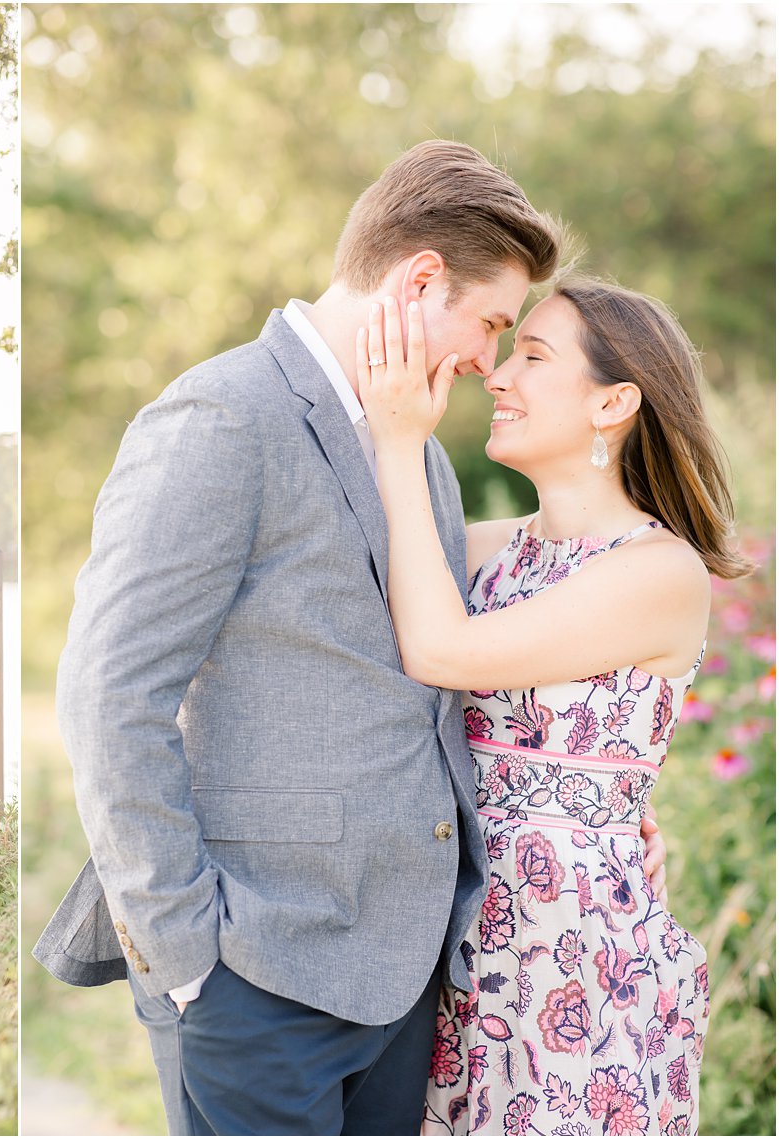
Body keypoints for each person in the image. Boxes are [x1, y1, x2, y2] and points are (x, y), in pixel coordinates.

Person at [34, 140, 665, 1136]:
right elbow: (107, 689)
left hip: (405, 979)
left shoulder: (420, 453)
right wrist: (185, 955)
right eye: (491, 322)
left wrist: (605, 802)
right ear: (419, 280)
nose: (485, 359)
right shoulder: (224, 413)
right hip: (253, 974)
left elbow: (450, 666)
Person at [356, 280, 749, 1134]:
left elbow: (441, 652)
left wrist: (399, 443)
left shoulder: (660, 571)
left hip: (578, 960)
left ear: (613, 402)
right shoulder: (487, 552)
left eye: (532, 357)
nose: (497, 375)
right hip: (454, 942)